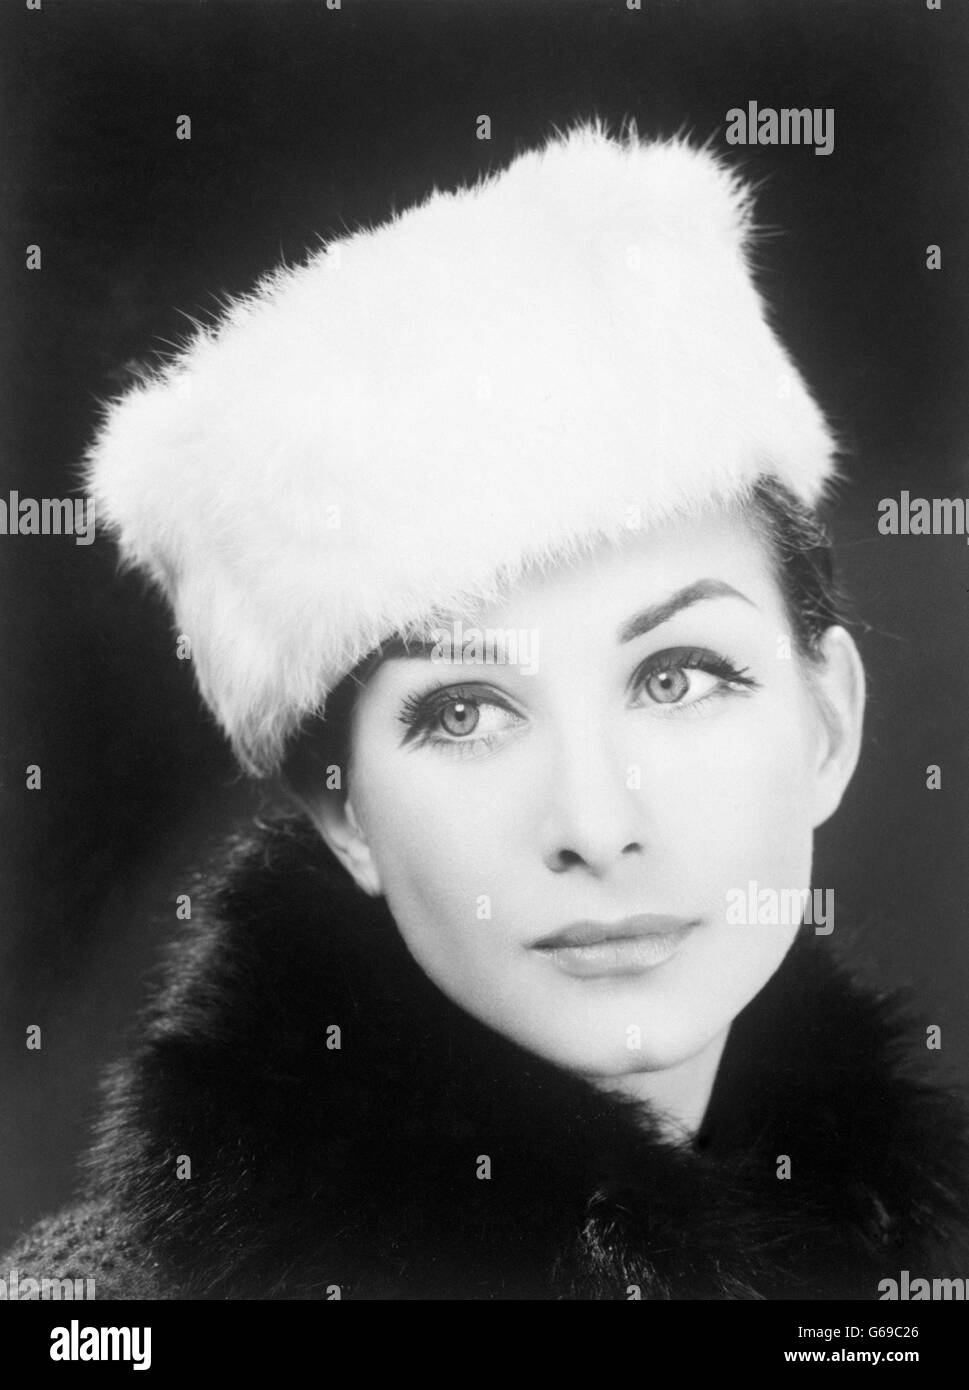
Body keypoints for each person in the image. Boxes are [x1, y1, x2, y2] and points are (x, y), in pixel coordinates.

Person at [6, 121, 967, 1300]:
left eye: (677, 677)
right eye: (465, 710)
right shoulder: (100, 1308)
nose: (596, 821)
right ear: (344, 811)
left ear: (828, 723)